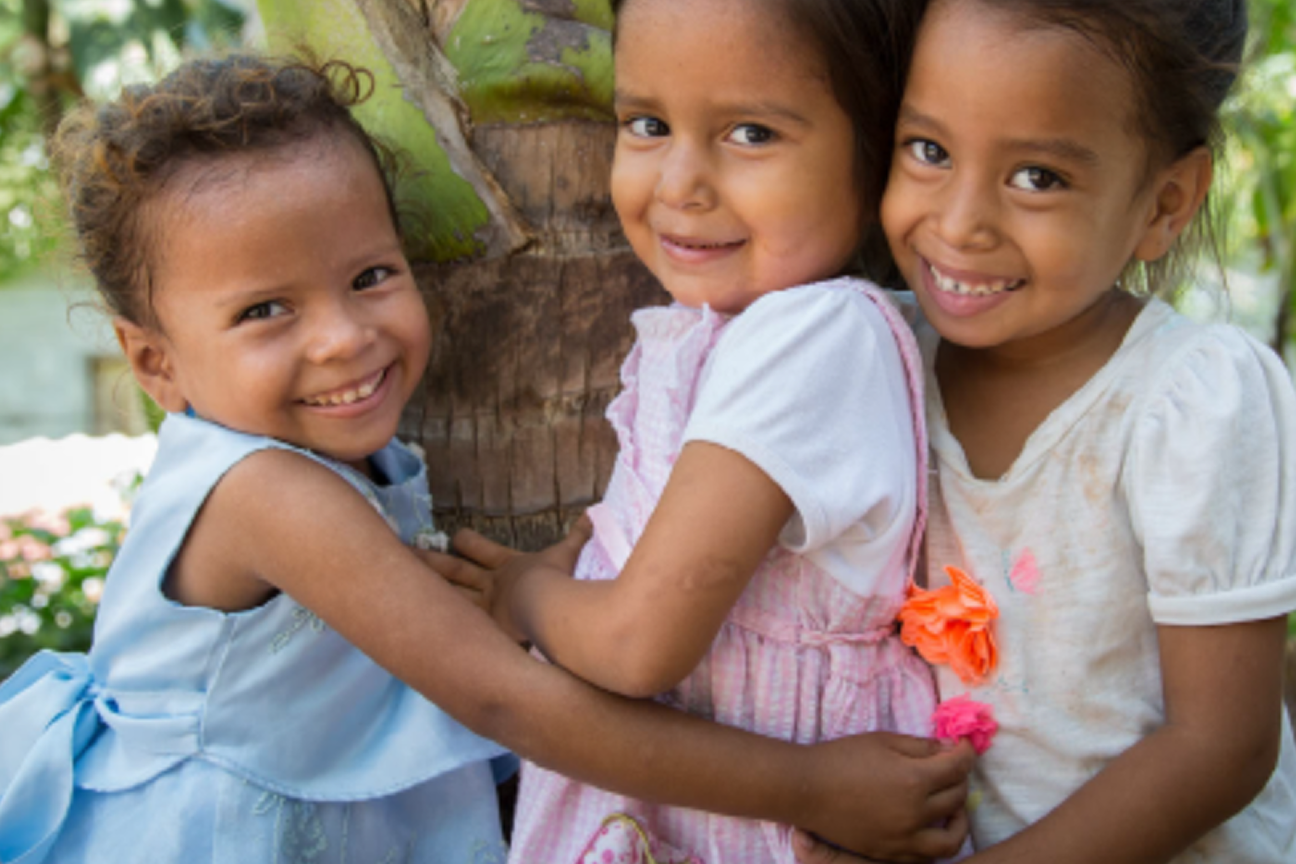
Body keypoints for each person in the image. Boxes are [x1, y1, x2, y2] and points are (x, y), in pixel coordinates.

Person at [0, 54, 975, 864]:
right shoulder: (264, 492)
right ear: (155, 363)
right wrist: (807, 785)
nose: (344, 338)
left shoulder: (317, 456)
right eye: (266, 310)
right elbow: (501, 694)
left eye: (371, 277)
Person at [426, 0, 975, 860]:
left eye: (751, 134)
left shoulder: (811, 338)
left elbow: (637, 646)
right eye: (647, 123)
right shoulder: (730, 331)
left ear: (878, 157)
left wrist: (526, 596)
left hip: (752, 811)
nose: (679, 182)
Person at [794, 1, 1296, 862]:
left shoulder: (1187, 401)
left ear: (1165, 204)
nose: (959, 223)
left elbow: (1223, 748)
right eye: (930, 150)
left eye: (1038, 178)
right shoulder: (873, 357)